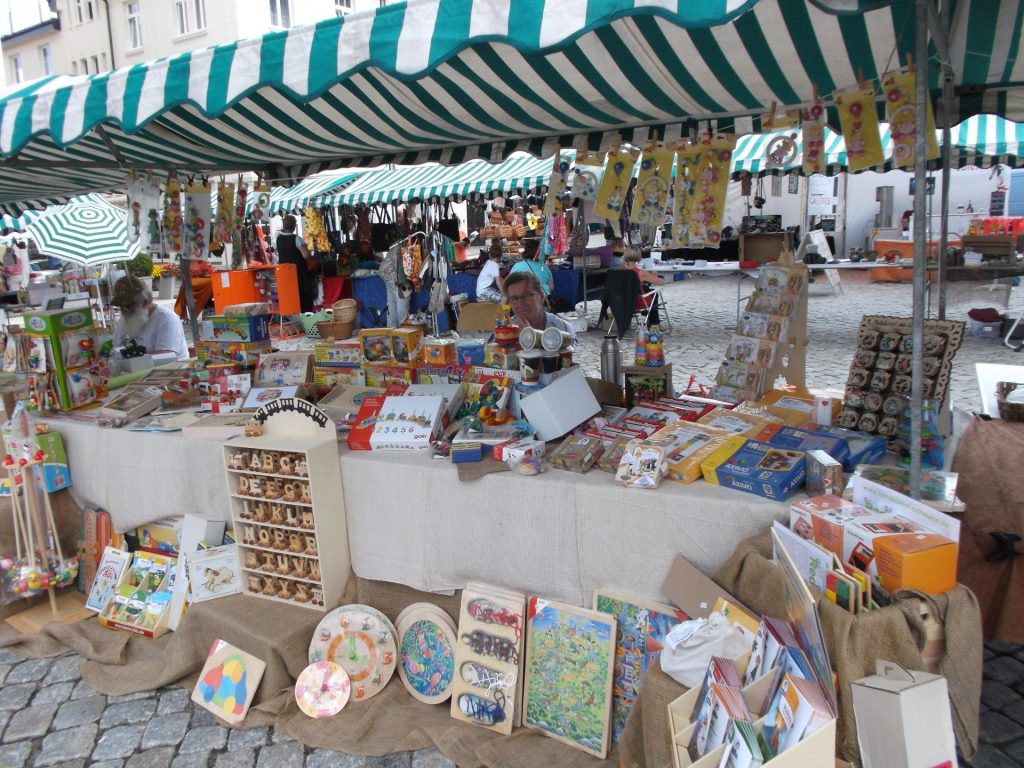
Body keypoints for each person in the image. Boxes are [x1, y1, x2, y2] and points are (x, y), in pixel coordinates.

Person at [110, 275, 190, 361]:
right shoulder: (126, 319)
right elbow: (116, 345)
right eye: (120, 307)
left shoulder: (167, 320)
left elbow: (166, 357)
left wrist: (127, 357)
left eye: (127, 306)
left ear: (145, 302)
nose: (123, 311)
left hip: (166, 371)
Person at [503, 271, 577, 344]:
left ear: (541, 297)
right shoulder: (504, 333)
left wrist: (529, 338)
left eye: (526, 295)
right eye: (514, 298)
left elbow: (565, 355)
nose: (520, 303)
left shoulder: (563, 329)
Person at [276, 214, 318, 313]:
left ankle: (292, 315)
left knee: (290, 297)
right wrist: (309, 248)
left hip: (285, 273)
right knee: (303, 298)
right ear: (294, 226)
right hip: (299, 273)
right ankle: (306, 317)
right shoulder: (296, 239)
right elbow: (306, 255)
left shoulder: (279, 239)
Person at [621, 245, 664, 310]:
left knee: (645, 288)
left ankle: (650, 316)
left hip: (622, 302)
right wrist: (654, 276)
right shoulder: (641, 272)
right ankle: (653, 319)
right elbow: (661, 282)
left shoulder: (620, 271)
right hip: (637, 303)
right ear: (639, 256)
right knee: (654, 293)